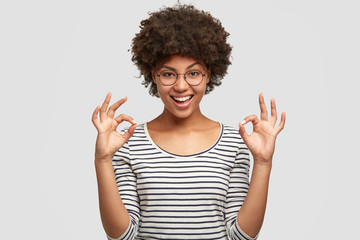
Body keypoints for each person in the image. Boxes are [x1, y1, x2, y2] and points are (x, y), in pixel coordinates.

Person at [92, 4, 285, 240]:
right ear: (154, 75)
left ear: (209, 75)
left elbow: (241, 236)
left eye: (193, 73)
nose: (181, 86)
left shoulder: (235, 142)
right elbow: (122, 236)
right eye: (168, 73)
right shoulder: (127, 142)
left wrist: (263, 162)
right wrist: (102, 159)